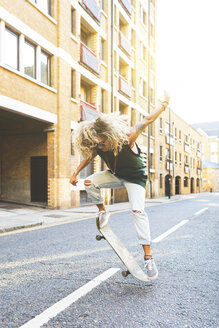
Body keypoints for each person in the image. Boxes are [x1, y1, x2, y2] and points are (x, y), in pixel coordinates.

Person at [70, 92, 170, 281]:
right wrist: (75, 173)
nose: (100, 147)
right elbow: (88, 157)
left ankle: (148, 258)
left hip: (136, 179)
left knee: (138, 212)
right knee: (90, 182)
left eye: (102, 143)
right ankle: (103, 212)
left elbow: (147, 119)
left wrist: (164, 105)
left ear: (109, 136)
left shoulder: (128, 138)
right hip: (116, 176)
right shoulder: (97, 146)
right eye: (97, 144)